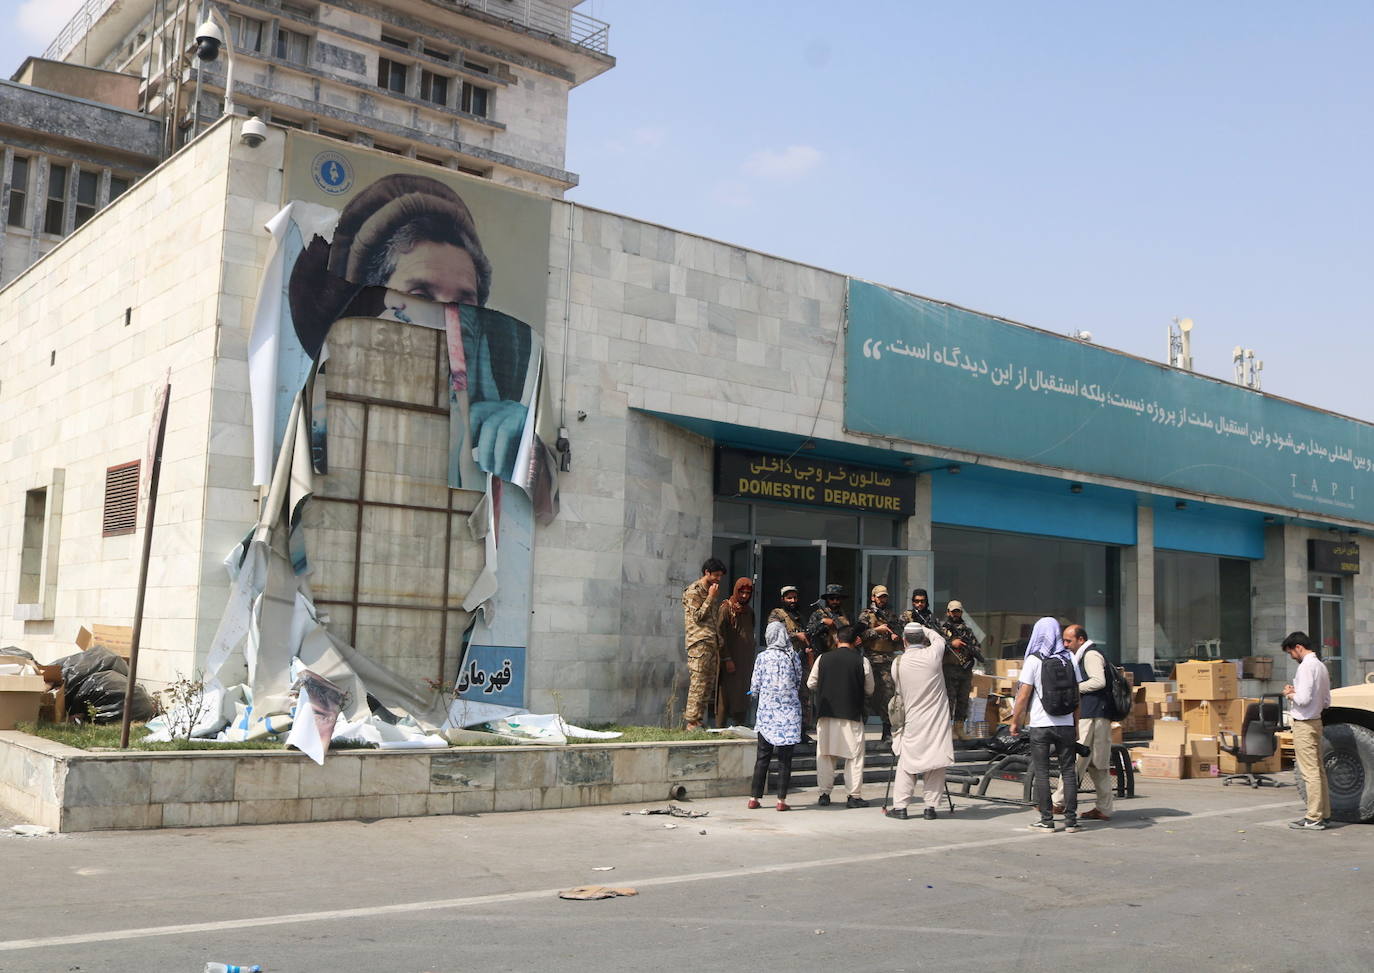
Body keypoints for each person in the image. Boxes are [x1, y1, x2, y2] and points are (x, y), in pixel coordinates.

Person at [287, 173, 534, 483]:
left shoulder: (496, 427)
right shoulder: (323, 425)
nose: (449, 318)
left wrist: (527, 450)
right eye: (421, 295)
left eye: (465, 303)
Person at [1008, 616, 1080, 833]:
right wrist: (1076, 724)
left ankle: (1047, 820)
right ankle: (1071, 820)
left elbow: (1022, 696)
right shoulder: (1070, 658)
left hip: (1041, 724)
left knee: (1041, 771)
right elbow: (1077, 695)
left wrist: (1015, 722)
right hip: (1066, 723)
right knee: (1068, 771)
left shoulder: (1034, 660)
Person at [886, 623, 955, 820]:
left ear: (904, 640)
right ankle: (930, 808)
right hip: (936, 720)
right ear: (923, 639)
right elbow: (939, 639)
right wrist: (924, 628)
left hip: (912, 720)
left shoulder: (898, 663)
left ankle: (900, 807)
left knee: (908, 763)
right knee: (935, 762)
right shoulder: (934, 655)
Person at [1050, 624, 1114, 822]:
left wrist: (1073, 688)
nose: (1065, 644)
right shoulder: (1087, 654)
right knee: (1097, 763)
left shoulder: (1090, 655)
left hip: (1091, 714)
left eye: (1069, 640)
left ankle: (1058, 803)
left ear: (1081, 640)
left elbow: (1098, 681)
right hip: (1098, 714)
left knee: (1075, 758)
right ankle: (1104, 808)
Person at [807, 624, 874, 808]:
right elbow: (870, 689)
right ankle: (853, 796)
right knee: (854, 757)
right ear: (855, 641)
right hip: (851, 714)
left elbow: (811, 683)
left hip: (826, 715)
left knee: (825, 755)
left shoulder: (822, 659)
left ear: (837, 639)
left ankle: (824, 794)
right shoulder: (862, 661)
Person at [748, 620, 804, 811]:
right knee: (784, 759)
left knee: (762, 756)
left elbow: (755, 685)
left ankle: (754, 798)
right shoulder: (793, 657)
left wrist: (757, 693)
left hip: (767, 715)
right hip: (788, 715)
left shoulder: (762, 657)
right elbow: (798, 681)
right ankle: (781, 801)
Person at [1282, 631, 1332, 830]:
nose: (1292, 657)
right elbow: (1327, 701)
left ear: (1298, 648)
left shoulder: (1305, 667)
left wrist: (1289, 694)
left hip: (1304, 723)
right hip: (1317, 721)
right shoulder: (1321, 666)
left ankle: (1313, 817)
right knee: (1318, 771)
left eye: (1291, 653)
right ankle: (1324, 814)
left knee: (1309, 772)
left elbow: (1302, 699)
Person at [682, 558, 727, 730]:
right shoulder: (694, 591)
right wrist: (710, 598)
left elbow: (712, 619)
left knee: (708, 683)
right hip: (698, 643)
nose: (718, 579)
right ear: (706, 572)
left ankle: (699, 720)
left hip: (711, 643)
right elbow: (697, 617)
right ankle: (691, 721)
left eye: (720, 576)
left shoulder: (711, 590)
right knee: (698, 682)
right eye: (716, 575)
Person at [858, 585, 902, 740]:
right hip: (870, 659)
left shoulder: (891, 614)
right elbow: (859, 636)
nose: (883, 599)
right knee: (866, 694)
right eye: (880, 597)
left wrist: (895, 637)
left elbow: (898, 634)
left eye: (885, 597)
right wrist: (877, 630)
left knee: (888, 694)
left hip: (887, 660)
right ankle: (860, 729)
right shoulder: (866, 615)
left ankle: (887, 729)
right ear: (873, 597)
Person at [940, 600, 984, 738]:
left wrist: (970, 649)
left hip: (964, 671)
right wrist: (951, 643)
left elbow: (977, 647)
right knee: (949, 701)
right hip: (949, 670)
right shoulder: (942, 629)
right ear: (948, 612)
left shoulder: (967, 630)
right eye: (953, 611)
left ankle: (959, 728)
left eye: (957, 611)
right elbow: (936, 645)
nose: (955, 614)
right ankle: (946, 730)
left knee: (963, 701)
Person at [716, 577, 757, 726]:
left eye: (748, 593)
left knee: (742, 695)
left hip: (745, 664)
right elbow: (720, 635)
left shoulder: (749, 611)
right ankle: (720, 728)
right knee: (725, 696)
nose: (745, 596)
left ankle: (739, 727)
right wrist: (727, 658)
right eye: (742, 592)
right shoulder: (726, 609)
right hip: (730, 662)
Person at [805, 584, 851, 656]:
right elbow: (808, 632)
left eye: (838, 599)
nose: (835, 601)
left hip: (842, 654)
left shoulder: (847, 615)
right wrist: (822, 622)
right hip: (823, 654)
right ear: (827, 599)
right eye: (832, 599)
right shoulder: (818, 614)